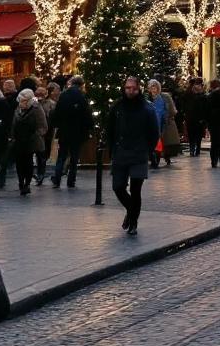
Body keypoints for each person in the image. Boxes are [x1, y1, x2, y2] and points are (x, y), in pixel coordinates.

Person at [105, 77, 159, 235]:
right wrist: (112, 149)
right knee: (118, 187)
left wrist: (147, 150)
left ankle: (133, 222)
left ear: (139, 89)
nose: (130, 91)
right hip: (121, 153)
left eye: (133, 88)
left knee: (136, 190)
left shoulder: (147, 109)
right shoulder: (117, 107)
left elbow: (154, 133)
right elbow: (110, 129)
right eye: (127, 88)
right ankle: (131, 210)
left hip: (139, 153)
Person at [51, 76, 92, 189]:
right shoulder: (81, 97)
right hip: (77, 132)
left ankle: (57, 179)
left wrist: (57, 126)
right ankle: (71, 180)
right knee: (74, 157)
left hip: (64, 131)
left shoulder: (63, 96)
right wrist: (88, 127)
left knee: (61, 156)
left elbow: (57, 113)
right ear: (81, 85)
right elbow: (86, 115)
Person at [10, 89, 46, 196]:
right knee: (19, 163)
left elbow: (43, 125)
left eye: (25, 101)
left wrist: (36, 135)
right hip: (19, 140)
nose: (22, 103)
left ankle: (27, 184)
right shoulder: (18, 109)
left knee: (28, 162)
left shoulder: (36, 108)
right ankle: (21, 182)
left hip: (31, 140)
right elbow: (13, 124)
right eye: (21, 101)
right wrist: (12, 136)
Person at [146, 79, 178, 168]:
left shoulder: (163, 98)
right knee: (154, 142)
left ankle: (156, 160)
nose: (153, 88)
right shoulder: (147, 99)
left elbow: (168, 111)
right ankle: (154, 160)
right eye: (151, 86)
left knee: (159, 142)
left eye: (154, 86)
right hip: (151, 123)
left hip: (161, 123)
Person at [35, 83, 59, 184]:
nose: (40, 95)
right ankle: (40, 173)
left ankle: (41, 172)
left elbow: (54, 117)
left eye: (42, 93)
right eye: (38, 93)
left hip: (48, 131)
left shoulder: (51, 104)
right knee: (39, 153)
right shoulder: (34, 103)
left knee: (45, 152)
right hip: (36, 133)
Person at [183, 78, 208, 157]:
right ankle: (195, 149)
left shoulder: (191, 96)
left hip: (193, 118)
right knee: (197, 135)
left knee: (193, 135)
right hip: (196, 119)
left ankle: (193, 149)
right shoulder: (202, 97)